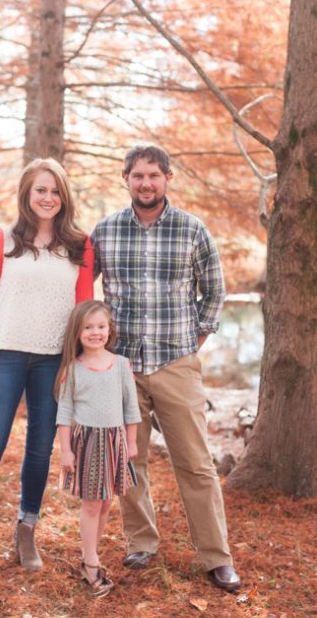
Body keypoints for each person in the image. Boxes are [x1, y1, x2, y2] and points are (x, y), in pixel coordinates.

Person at [90, 143, 240, 592]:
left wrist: (193, 342)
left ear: (167, 178)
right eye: (138, 176)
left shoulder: (193, 230)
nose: (146, 183)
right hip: (124, 368)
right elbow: (82, 288)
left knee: (195, 464)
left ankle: (216, 556)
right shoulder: (106, 232)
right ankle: (141, 542)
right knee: (130, 459)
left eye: (154, 175)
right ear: (126, 180)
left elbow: (213, 293)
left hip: (176, 364)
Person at [0, 158, 93, 574]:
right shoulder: (4, 240)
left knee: (38, 451)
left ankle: (26, 530)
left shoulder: (79, 246)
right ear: (26, 195)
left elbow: (83, 307)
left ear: (64, 197)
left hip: (54, 360)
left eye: (55, 191)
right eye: (40, 191)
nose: (48, 198)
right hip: (5, 353)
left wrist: (77, 363)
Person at [55, 300, 139, 597]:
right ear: (77, 333)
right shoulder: (73, 369)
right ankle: (90, 563)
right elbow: (64, 413)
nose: (95, 332)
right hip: (88, 443)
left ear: (109, 329)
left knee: (105, 503)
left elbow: (132, 408)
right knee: (92, 503)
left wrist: (131, 442)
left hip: (115, 441)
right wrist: (66, 450)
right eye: (88, 327)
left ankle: (91, 554)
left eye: (101, 327)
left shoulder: (120, 365)